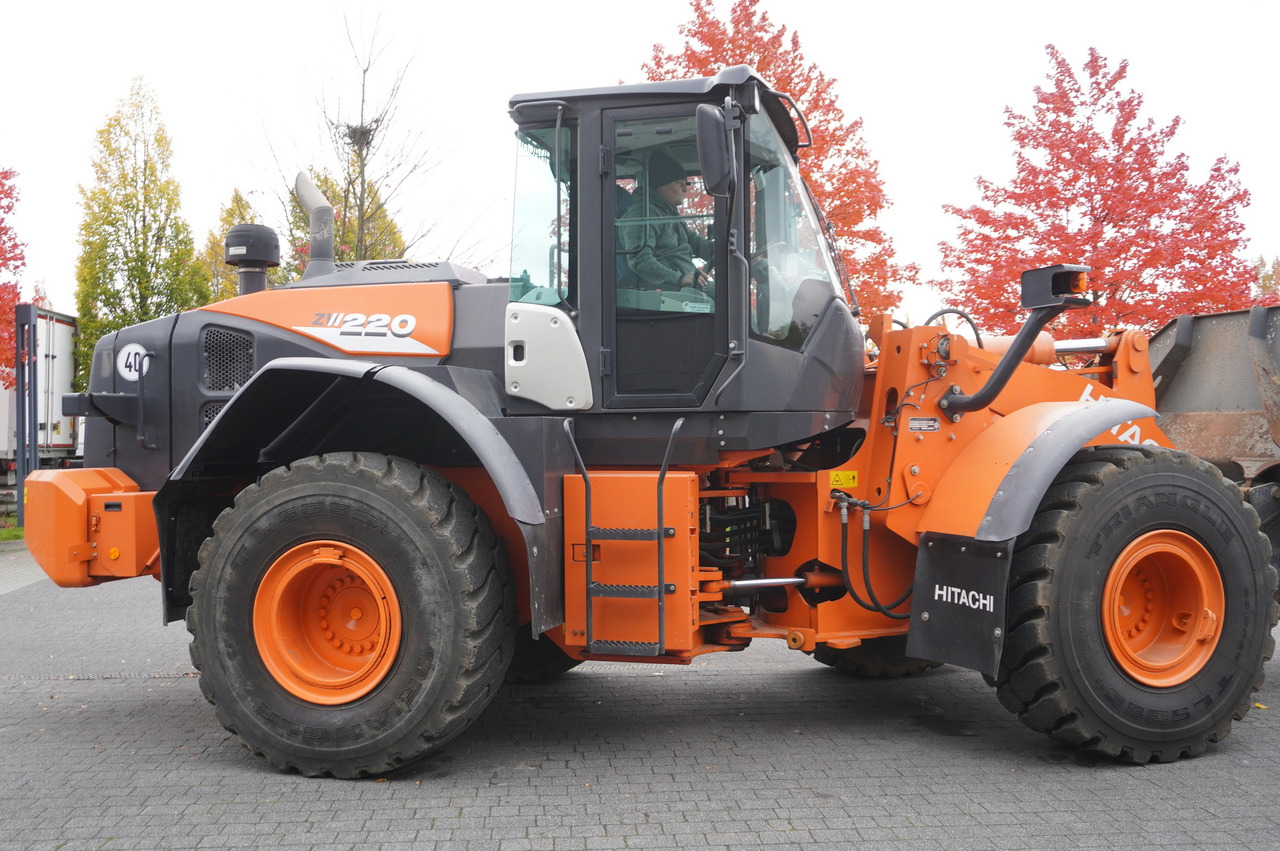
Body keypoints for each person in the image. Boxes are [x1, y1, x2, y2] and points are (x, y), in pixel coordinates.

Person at [617, 150, 713, 290]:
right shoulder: (643, 214)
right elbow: (639, 260)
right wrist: (679, 279)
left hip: (686, 284)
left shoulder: (668, 212)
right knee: (732, 299)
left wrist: (727, 252)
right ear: (662, 184)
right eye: (679, 183)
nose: (685, 189)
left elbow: (695, 242)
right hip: (667, 289)